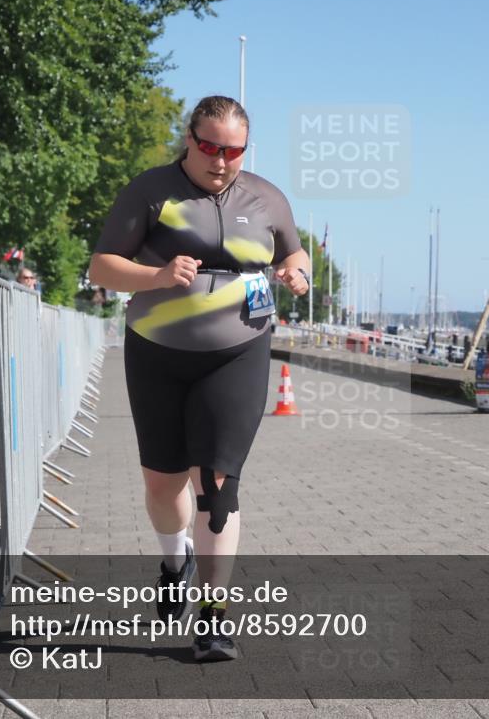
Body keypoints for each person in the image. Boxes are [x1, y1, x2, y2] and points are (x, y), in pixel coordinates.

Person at [87, 95, 310, 662]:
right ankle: (173, 558)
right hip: (158, 351)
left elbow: (297, 252)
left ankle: (213, 616)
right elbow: (103, 266)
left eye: (232, 150)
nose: (220, 160)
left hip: (238, 351)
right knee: (164, 487)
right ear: (189, 138)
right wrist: (158, 274)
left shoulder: (266, 197)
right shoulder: (151, 190)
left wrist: (295, 272)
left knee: (216, 485)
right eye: (209, 146)